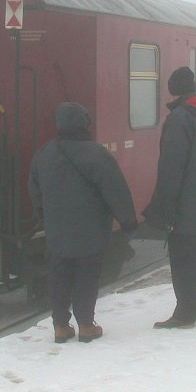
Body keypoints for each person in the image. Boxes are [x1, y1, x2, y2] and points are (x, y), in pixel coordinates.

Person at [28, 102, 138, 343]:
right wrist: (128, 222)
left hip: (57, 229)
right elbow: (115, 190)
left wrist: (45, 214)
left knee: (59, 274)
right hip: (91, 229)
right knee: (86, 276)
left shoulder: (44, 154)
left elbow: (35, 189)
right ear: (84, 123)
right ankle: (86, 325)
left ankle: (60, 325)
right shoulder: (97, 154)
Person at [142, 66, 196, 329]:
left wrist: (164, 205)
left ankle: (184, 315)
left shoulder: (180, 118)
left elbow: (171, 166)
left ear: (174, 88)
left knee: (183, 259)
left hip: (184, 204)